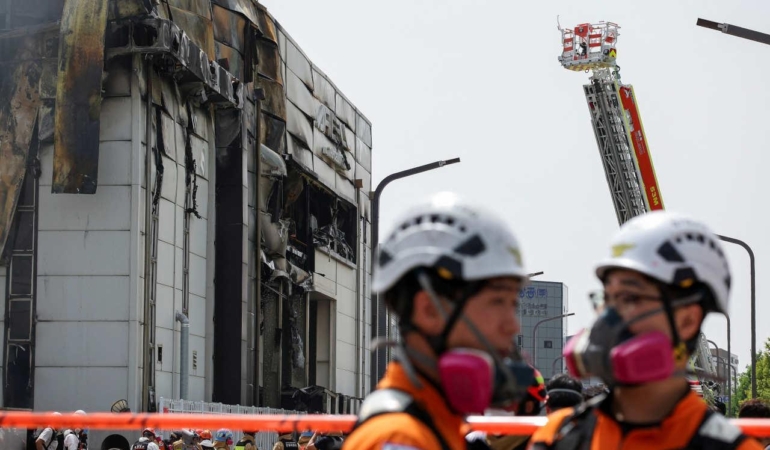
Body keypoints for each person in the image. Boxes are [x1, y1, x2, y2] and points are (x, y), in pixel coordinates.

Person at [528, 211, 764, 449]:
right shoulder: (557, 436)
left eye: (630, 298)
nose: (608, 316)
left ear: (687, 321)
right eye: (607, 298)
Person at [342, 192, 535, 450]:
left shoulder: (440, 424)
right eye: (497, 301)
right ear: (429, 310)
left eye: (513, 304)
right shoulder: (401, 439)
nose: (513, 326)